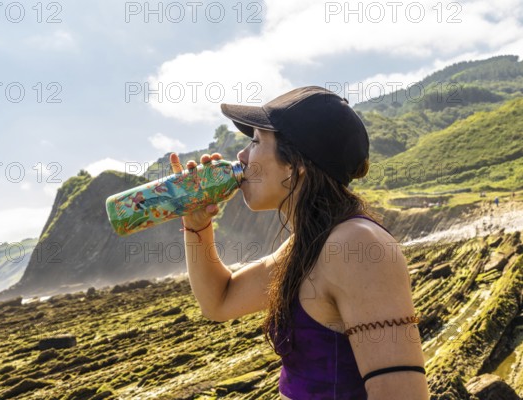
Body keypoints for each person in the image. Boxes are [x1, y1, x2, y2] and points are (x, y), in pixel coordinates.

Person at [169, 86, 429, 399]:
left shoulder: (356, 246)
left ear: (295, 165)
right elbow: (219, 302)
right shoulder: (308, 245)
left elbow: (402, 393)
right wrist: (197, 226)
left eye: (255, 141)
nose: (240, 155)